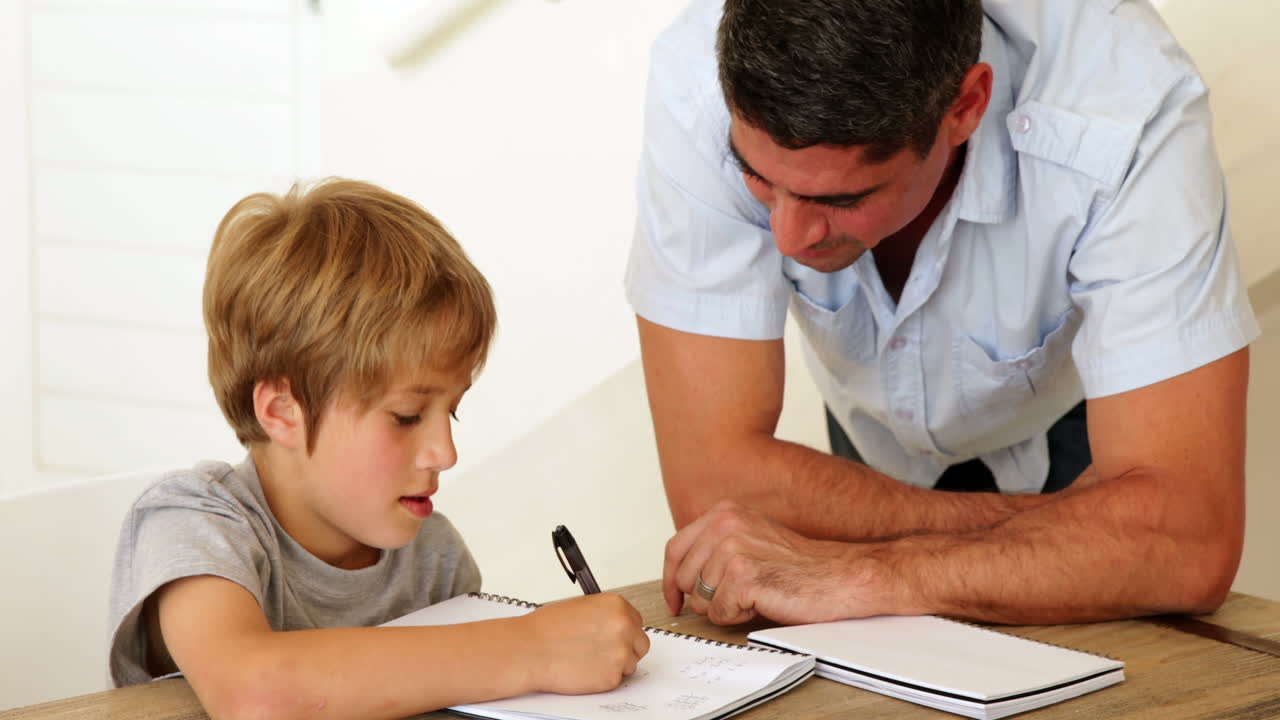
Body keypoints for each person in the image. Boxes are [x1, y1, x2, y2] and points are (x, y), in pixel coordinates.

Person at [626, 0, 1258, 627]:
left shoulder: (1126, 102)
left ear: (965, 107)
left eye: (841, 198)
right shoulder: (697, 78)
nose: (787, 239)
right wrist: (1087, 527)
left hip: (1059, 421)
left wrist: (863, 570)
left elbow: (1189, 543)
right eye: (757, 178)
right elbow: (711, 480)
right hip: (869, 422)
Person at [107, 179, 649, 719]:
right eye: (407, 416)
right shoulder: (194, 522)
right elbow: (256, 692)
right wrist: (533, 647)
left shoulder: (432, 557)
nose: (445, 452)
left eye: (452, 411)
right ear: (282, 411)